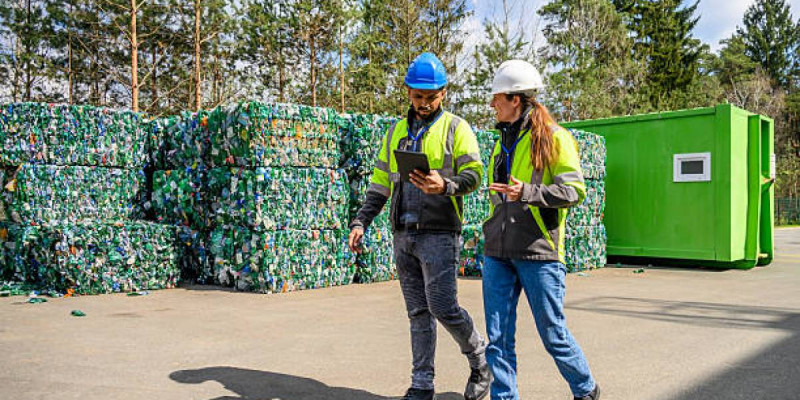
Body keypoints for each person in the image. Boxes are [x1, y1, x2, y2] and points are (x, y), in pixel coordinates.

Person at [348, 52, 492, 400]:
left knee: (443, 307)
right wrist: (361, 221)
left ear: (443, 93)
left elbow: (475, 174)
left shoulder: (457, 128)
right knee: (417, 313)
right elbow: (381, 182)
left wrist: (445, 185)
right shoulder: (396, 131)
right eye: (418, 96)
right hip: (404, 235)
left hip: (439, 234)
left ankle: (481, 360)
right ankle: (422, 384)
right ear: (408, 92)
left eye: (431, 96)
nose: (424, 103)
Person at [481, 60, 600, 400]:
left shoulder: (554, 138)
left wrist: (529, 193)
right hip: (498, 253)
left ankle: (586, 388)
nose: (492, 104)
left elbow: (575, 191)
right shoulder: (500, 142)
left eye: (497, 98)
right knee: (498, 336)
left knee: (553, 333)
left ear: (514, 99)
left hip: (539, 253)